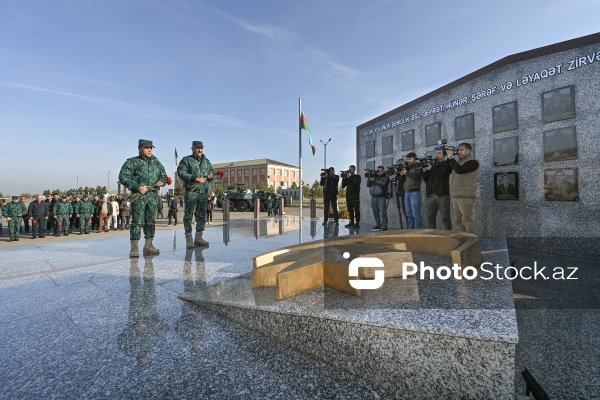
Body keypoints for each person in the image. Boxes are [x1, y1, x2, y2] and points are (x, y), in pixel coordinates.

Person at [119, 139, 167, 257]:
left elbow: (164, 176)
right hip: (139, 197)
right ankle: (134, 247)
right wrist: (137, 186)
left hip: (152, 197)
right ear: (140, 149)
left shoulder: (156, 162)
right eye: (146, 147)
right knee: (137, 222)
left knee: (150, 221)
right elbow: (123, 177)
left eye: (151, 148)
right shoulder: (133, 162)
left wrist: (162, 182)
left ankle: (148, 245)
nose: (149, 150)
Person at [176, 140, 213, 249]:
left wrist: (210, 177)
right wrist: (194, 178)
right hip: (191, 191)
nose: (199, 150)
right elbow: (181, 172)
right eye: (197, 148)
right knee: (188, 215)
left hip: (203, 193)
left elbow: (210, 174)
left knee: (201, 215)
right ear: (192, 148)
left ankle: (199, 238)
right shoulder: (186, 160)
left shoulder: (207, 161)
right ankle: (189, 239)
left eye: (201, 148)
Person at [446, 143, 480, 234]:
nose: (458, 152)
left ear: (468, 151)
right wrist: (449, 157)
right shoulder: (457, 162)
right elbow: (446, 170)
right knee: (458, 221)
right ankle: (462, 241)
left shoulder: (473, 162)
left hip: (466, 196)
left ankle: (471, 243)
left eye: (461, 150)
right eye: (458, 150)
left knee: (468, 221)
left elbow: (460, 170)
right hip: (455, 195)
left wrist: (451, 158)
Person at [423, 146, 452, 230]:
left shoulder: (447, 163)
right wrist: (425, 171)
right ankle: (431, 236)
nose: (437, 155)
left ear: (444, 155)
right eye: (436, 153)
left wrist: (431, 169)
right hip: (431, 195)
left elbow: (442, 174)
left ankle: (448, 236)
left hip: (442, 195)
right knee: (430, 218)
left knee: (445, 218)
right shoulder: (431, 164)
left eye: (439, 153)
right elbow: (425, 179)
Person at [399, 152, 424, 229]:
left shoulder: (419, 167)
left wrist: (406, 173)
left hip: (415, 192)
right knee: (408, 214)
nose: (408, 161)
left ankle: (417, 232)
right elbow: (403, 180)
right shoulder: (407, 168)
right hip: (407, 192)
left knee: (416, 214)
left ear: (415, 159)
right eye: (407, 159)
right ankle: (410, 230)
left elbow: (416, 177)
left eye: (410, 159)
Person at [367, 166, 391, 231]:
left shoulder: (386, 177)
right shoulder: (375, 177)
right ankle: (378, 225)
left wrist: (375, 180)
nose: (379, 172)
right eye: (377, 170)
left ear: (383, 171)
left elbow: (383, 184)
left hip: (381, 197)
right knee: (375, 212)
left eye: (380, 170)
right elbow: (368, 185)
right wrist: (369, 178)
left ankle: (384, 226)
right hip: (373, 197)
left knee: (383, 212)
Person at [390, 159, 407, 229]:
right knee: (404, 211)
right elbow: (396, 182)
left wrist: (396, 176)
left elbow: (403, 179)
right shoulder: (398, 172)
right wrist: (394, 178)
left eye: (400, 164)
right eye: (397, 165)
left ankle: (410, 227)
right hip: (400, 193)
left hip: (406, 193)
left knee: (407, 212)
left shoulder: (406, 171)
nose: (398, 166)